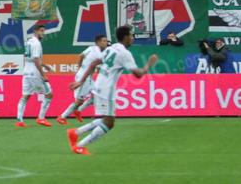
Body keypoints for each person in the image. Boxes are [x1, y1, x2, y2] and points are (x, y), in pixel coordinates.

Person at [67, 25, 158, 155]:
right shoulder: (125, 53)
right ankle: (79, 145)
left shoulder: (112, 47)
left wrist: (80, 81)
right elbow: (138, 74)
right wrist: (149, 64)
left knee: (108, 119)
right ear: (125, 37)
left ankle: (75, 133)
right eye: (131, 35)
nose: (132, 38)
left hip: (98, 86)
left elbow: (93, 63)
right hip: (106, 90)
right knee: (109, 123)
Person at [58, 33, 108, 124]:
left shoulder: (91, 48)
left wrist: (79, 67)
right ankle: (62, 117)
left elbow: (81, 56)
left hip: (86, 75)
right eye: (104, 41)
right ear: (98, 42)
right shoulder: (98, 53)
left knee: (95, 95)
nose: (106, 43)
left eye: (106, 41)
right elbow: (98, 66)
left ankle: (78, 111)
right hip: (84, 76)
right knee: (79, 101)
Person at [16, 23, 52, 127]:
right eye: (41, 31)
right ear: (35, 31)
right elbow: (36, 59)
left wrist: (45, 65)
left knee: (25, 96)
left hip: (26, 71)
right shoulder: (36, 43)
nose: (43, 33)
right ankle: (41, 118)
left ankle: (19, 120)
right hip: (34, 72)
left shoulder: (29, 42)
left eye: (43, 31)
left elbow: (31, 57)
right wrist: (43, 74)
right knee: (49, 94)